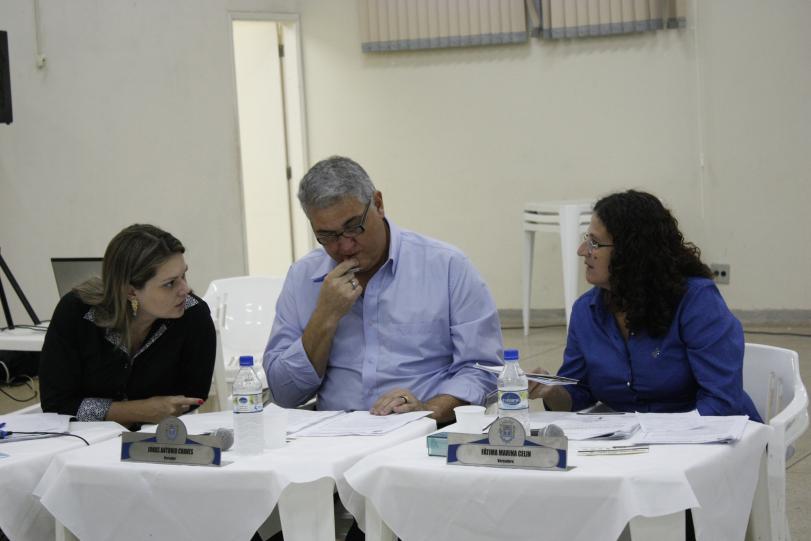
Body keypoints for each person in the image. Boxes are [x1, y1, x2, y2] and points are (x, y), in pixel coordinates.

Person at [263, 156, 502, 423]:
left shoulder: (446, 266)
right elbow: (283, 394)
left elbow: (483, 371)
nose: (345, 246)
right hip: (331, 434)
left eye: (353, 227)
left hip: (424, 431)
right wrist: (324, 318)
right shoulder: (303, 277)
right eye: (327, 236)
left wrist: (427, 410)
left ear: (378, 204)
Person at [530, 190, 761, 422]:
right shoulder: (586, 311)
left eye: (594, 243)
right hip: (636, 440)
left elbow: (721, 402)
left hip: (712, 435)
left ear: (631, 251)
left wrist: (663, 436)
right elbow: (579, 394)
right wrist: (552, 390)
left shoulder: (697, 301)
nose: (582, 251)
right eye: (586, 239)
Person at [39, 224, 216, 427]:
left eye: (183, 275)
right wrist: (142, 410)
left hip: (157, 436)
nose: (185, 289)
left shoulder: (194, 314)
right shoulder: (78, 312)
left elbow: (191, 398)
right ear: (131, 292)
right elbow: (56, 403)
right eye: (169, 283)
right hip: (84, 436)